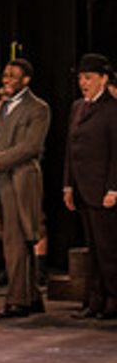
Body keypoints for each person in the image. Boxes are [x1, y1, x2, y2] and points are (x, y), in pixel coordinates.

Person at [0, 58, 50, 319]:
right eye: (5, 74)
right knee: (15, 240)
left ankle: (17, 301)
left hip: (23, 179)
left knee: (19, 240)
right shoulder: (3, 107)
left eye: (13, 76)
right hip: (3, 181)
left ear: (26, 80)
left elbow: (31, 147)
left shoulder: (38, 108)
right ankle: (30, 298)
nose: (6, 79)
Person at [63, 53, 117, 319]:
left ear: (104, 79)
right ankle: (94, 300)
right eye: (81, 78)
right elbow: (70, 149)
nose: (83, 83)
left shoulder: (112, 108)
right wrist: (67, 185)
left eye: (89, 78)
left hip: (103, 190)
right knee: (92, 250)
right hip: (83, 188)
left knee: (108, 250)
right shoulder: (77, 107)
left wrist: (113, 188)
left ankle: (113, 300)